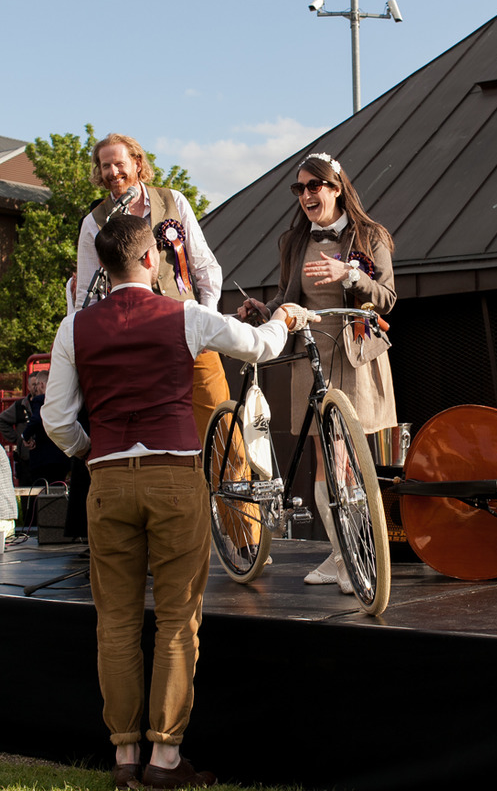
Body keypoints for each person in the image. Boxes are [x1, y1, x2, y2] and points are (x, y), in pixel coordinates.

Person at [42, 214, 301, 789]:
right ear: (150, 260)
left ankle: (125, 758)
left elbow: (56, 420)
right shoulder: (182, 313)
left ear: (105, 268)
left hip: (108, 480)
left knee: (115, 621)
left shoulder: (74, 328)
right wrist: (285, 315)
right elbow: (260, 346)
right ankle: (165, 760)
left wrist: (94, 451)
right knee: (178, 620)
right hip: (174, 475)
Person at [238, 151, 397, 594]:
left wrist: (348, 273)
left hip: (357, 357)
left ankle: (353, 556)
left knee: (347, 461)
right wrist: (262, 310)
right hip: (312, 355)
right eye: (299, 187)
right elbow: (291, 296)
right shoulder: (292, 241)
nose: (306, 194)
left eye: (314, 185)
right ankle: (340, 553)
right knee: (326, 461)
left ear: (336, 187)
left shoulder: (371, 235)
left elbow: (386, 299)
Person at [75, 132, 228, 443]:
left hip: (189, 328)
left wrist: (208, 317)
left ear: (137, 162)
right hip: (132, 341)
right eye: (105, 166)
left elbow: (205, 267)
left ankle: (232, 491)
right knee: (154, 432)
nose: (112, 172)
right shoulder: (94, 222)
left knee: (221, 423)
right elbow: (86, 296)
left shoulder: (173, 201)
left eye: (119, 163)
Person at [0, 371, 39, 488]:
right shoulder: (20, 406)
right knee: (27, 497)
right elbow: (1, 420)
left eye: (38, 384)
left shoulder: (49, 404)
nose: (37, 388)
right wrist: (19, 439)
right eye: (33, 385)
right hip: (26, 461)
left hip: (46, 460)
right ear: (28, 387)